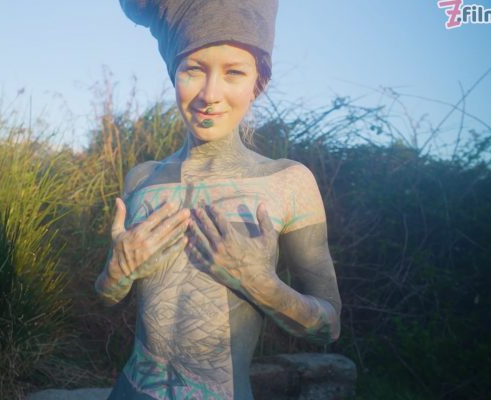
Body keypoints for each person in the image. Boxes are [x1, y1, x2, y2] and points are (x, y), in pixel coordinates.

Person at [94, 1, 341, 398]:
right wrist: (115, 275)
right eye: (193, 69)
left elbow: (330, 327)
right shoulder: (141, 178)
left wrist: (262, 285)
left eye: (233, 73)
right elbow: (108, 299)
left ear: (257, 81)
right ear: (174, 73)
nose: (210, 94)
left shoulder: (287, 182)